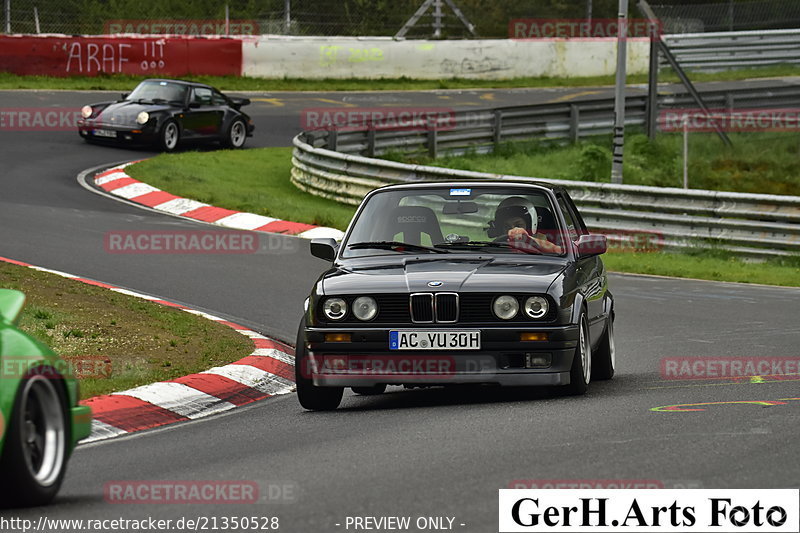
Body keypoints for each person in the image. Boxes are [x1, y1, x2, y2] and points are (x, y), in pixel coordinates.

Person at [491, 200, 562, 254]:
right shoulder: (494, 246)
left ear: (530, 225)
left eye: (518, 225)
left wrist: (528, 239)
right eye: (507, 226)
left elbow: (558, 251)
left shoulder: (542, 242)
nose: (512, 230)